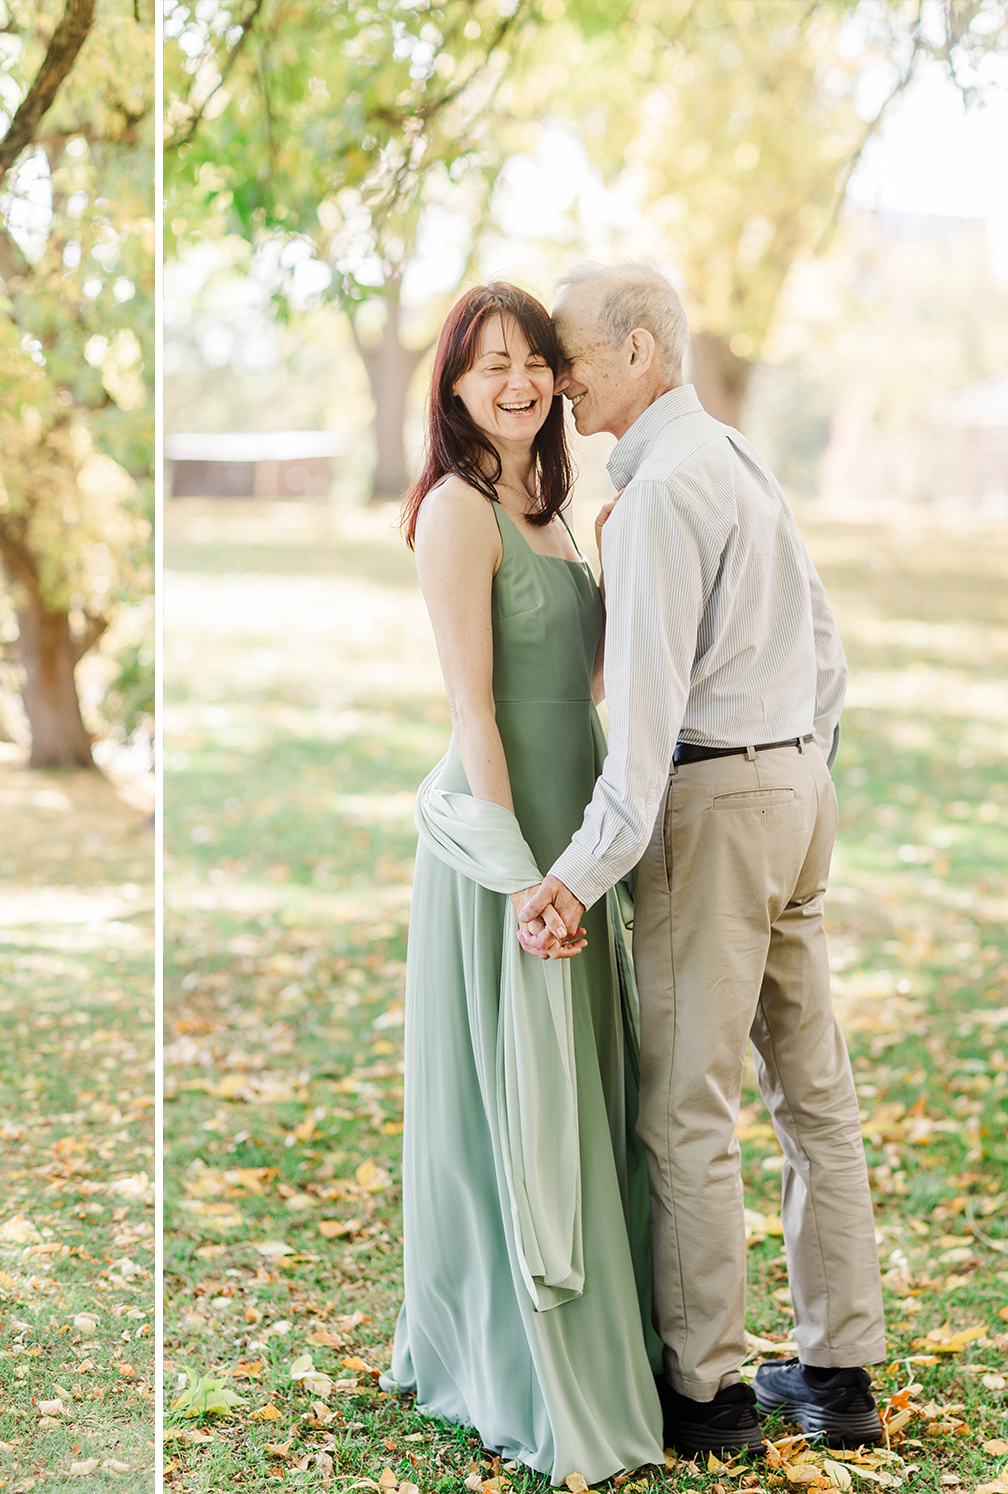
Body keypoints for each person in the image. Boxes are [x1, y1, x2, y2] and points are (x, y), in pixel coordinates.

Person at [517, 261, 884, 1454]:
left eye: (569, 352)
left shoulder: (665, 494)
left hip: (717, 800)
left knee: (686, 1107)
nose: (558, 377)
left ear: (639, 350)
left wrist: (574, 873)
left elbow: (640, 722)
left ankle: (708, 1394)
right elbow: (823, 654)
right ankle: (836, 1377)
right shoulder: (729, 457)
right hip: (794, 787)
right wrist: (795, 766)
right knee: (813, 1100)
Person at [386, 280, 666, 1486]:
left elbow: (585, 685)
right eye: (485, 364)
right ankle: (511, 1359)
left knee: (581, 1086)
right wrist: (517, 880)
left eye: (532, 361)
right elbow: (474, 711)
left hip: (577, 819)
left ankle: (615, 1340)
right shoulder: (456, 511)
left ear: (558, 377)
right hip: (507, 838)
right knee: (517, 1092)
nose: (514, 381)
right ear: (451, 388)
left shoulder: (553, 506)